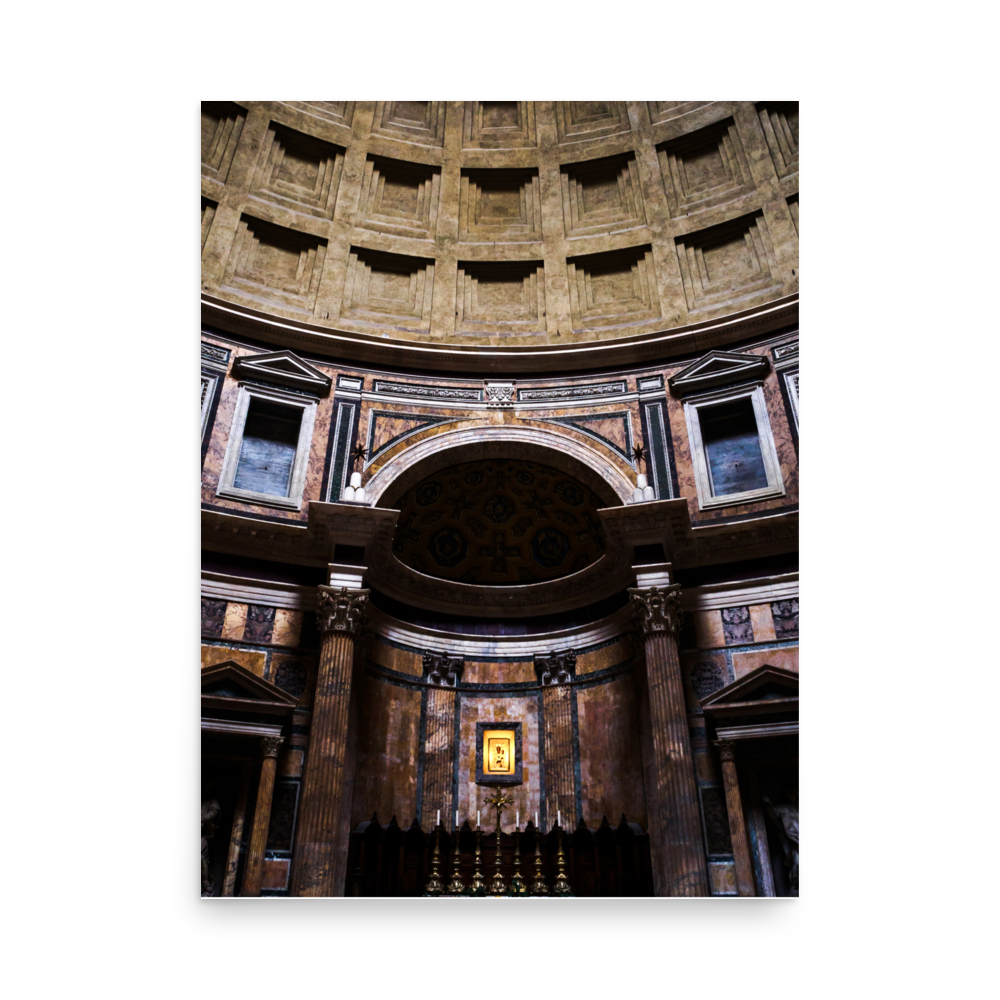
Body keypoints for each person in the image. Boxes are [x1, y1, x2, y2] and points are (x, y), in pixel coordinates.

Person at [762, 789, 799, 894]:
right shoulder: (785, 807)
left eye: (793, 792)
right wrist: (769, 804)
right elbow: (773, 814)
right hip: (796, 843)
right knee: (797, 865)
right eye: (789, 793)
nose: (792, 795)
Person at [201, 780, 221, 897]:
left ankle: (206, 884)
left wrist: (202, 818)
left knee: (201, 859)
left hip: (201, 834)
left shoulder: (212, 801)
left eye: (210, 785)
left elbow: (213, 813)